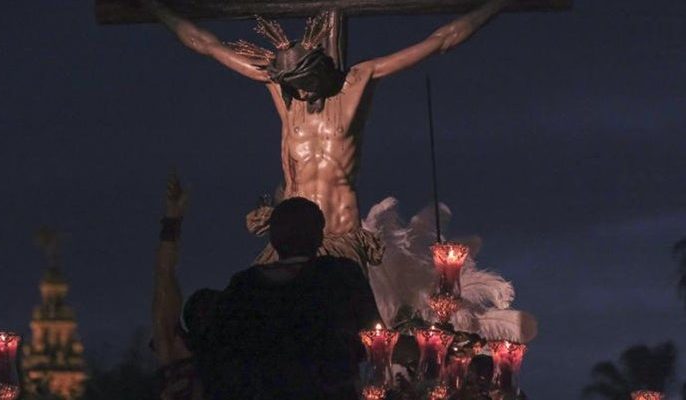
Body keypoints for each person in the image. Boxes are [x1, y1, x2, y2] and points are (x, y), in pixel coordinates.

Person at [141, 0, 511, 269]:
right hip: (289, 240)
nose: (301, 94)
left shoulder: (357, 82)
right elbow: (206, 44)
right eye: (295, 86)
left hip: (340, 235)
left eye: (306, 85)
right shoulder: (279, 88)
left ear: (320, 72)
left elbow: (441, 39)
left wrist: (495, 6)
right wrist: (155, 8)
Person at [152, 174, 381, 399]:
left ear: (273, 239)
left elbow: (165, 293)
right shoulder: (340, 276)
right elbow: (377, 341)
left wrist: (172, 221)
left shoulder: (244, 288)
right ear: (319, 237)